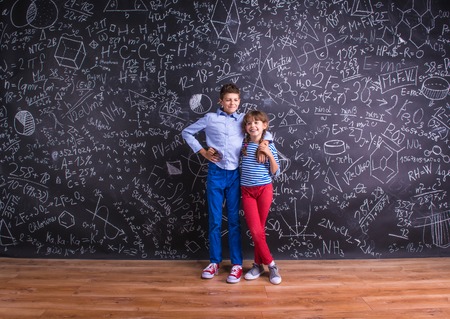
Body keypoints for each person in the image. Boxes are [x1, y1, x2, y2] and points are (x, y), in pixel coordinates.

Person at [181, 83, 272, 284]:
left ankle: (237, 264)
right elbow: (187, 133)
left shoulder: (243, 120)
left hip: (235, 175)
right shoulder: (210, 118)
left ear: (239, 102)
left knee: (233, 221)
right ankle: (214, 262)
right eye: (228, 99)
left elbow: (263, 129)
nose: (232, 103)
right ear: (220, 101)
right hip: (215, 173)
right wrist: (203, 152)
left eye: (236, 100)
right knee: (214, 220)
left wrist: (265, 143)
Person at [240, 110, 282, 285]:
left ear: (264, 125)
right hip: (247, 191)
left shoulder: (268, 145)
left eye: (256, 122)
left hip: (264, 189)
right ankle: (271, 264)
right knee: (256, 231)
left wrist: (268, 151)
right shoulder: (242, 144)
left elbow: (276, 172)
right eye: (249, 123)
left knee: (260, 230)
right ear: (245, 127)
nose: (252, 125)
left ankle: (258, 265)